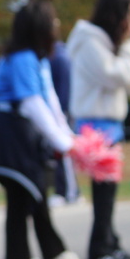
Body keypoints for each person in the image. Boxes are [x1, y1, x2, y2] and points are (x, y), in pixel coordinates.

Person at [0, 0, 88, 259]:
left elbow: (49, 100)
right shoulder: (22, 59)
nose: (57, 26)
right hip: (12, 133)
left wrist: (65, 134)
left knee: (36, 195)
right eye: (52, 21)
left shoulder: (37, 58)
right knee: (21, 196)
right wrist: (60, 141)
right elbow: (31, 102)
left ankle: (54, 254)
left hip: (25, 133)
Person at [66, 0, 130, 259]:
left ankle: (110, 241)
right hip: (95, 125)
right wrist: (128, 45)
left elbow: (125, 84)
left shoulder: (101, 43)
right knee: (104, 191)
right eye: (129, 14)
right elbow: (115, 75)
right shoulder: (89, 41)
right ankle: (100, 248)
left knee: (109, 188)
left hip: (109, 123)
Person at [47, 41, 82, 207]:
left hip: (62, 112)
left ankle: (70, 192)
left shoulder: (59, 58)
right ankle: (65, 190)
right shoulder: (56, 56)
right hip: (60, 112)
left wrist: (60, 113)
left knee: (65, 152)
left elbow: (63, 90)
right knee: (60, 153)